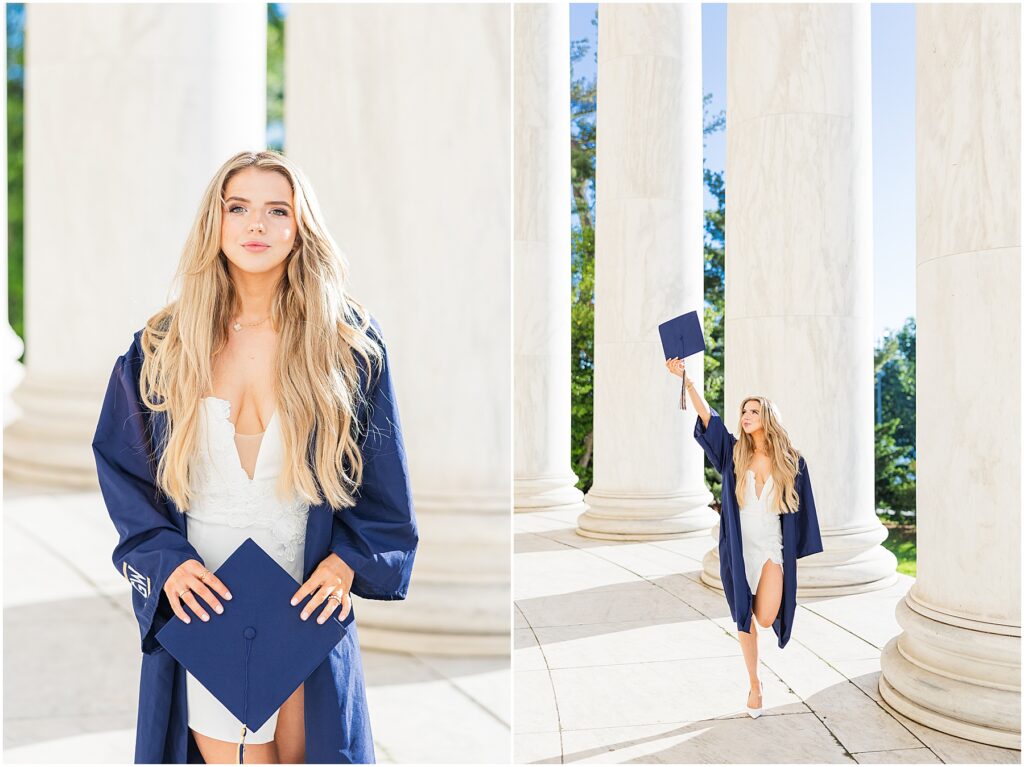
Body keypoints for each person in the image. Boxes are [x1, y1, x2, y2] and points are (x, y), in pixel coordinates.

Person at [92, 149, 418, 763]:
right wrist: (166, 563)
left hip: (302, 601)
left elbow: (385, 490)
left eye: (277, 210)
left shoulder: (345, 347)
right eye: (238, 207)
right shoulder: (162, 348)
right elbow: (123, 469)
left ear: (302, 228)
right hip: (206, 602)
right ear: (214, 222)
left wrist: (347, 565)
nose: (256, 225)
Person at [666, 356, 822, 718]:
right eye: (744, 411)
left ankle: (755, 658)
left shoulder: (793, 463)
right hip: (738, 549)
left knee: (765, 617)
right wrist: (687, 381)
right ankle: (755, 684)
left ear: (767, 417)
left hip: (770, 549)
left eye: (753, 411)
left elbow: (803, 513)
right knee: (743, 617)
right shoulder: (734, 453)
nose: (746, 415)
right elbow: (709, 420)